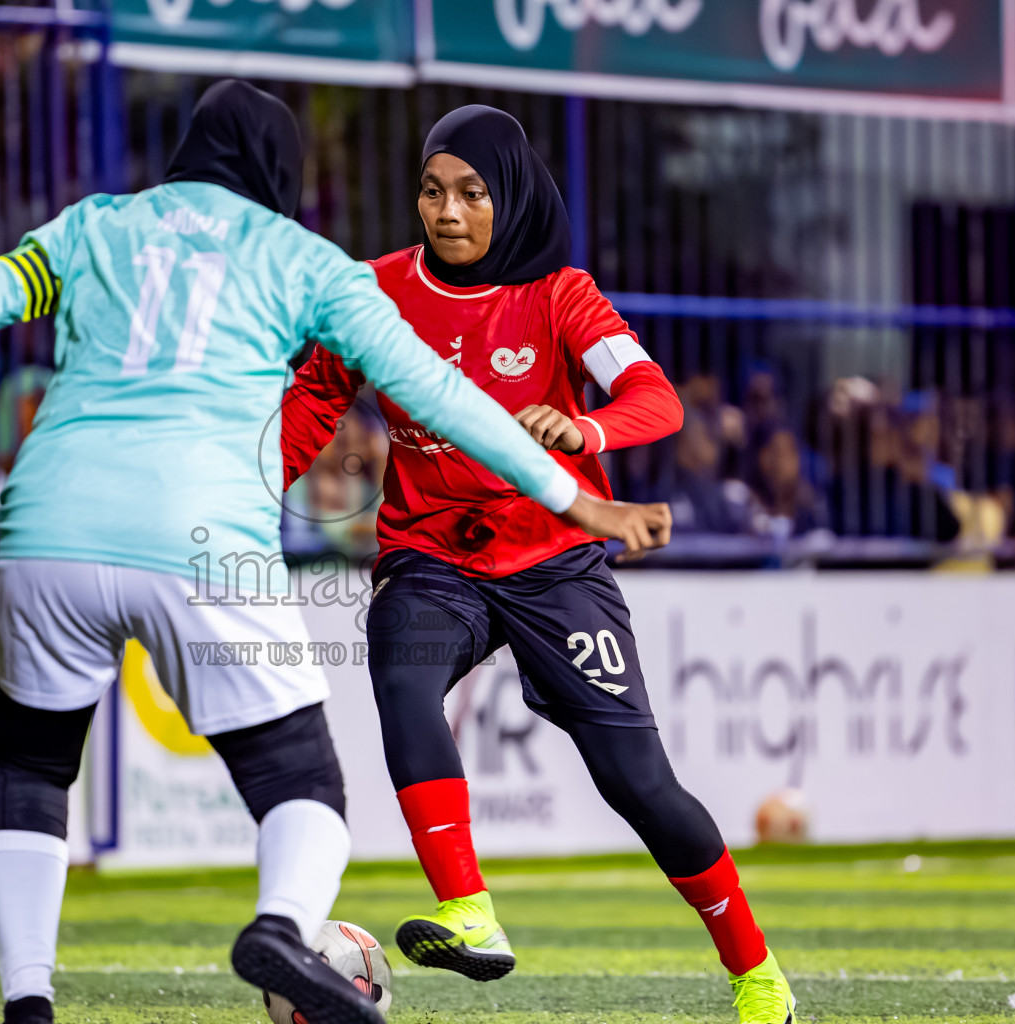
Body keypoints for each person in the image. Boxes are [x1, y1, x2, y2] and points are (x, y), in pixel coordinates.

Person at [0, 81, 664, 1024]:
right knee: (302, 781)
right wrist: (577, 498)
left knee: (32, 768)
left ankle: (29, 999)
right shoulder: (307, 261)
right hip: (194, 532)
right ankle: (281, 928)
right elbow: (444, 397)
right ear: (277, 170)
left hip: (46, 528)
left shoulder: (93, 227)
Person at [281, 105, 796, 1024]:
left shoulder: (561, 295)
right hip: (432, 553)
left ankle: (756, 974)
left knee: (639, 784)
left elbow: (656, 398)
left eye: (472, 193)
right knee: (400, 672)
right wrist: (238, 492)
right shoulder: (374, 291)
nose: (448, 211)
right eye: (432, 191)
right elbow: (315, 398)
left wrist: (586, 428)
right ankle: (469, 911)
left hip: (554, 562)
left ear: (510, 196)